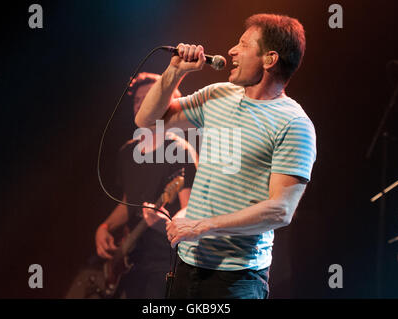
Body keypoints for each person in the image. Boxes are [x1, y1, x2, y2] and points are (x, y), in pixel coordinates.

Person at [135, 14, 317, 299]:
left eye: (243, 45)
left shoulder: (294, 124)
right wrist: (175, 72)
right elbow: (146, 121)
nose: (231, 50)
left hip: (236, 280)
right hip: (185, 265)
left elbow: (281, 210)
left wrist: (202, 226)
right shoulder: (218, 94)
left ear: (269, 59)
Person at [95, 72, 198, 299]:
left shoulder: (179, 150)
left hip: (163, 262)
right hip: (130, 260)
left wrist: (167, 223)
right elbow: (127, 201)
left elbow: (190, 209)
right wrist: (104, 227)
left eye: (149, 98)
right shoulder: (126, 152)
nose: (142, 104)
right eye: (137, 100)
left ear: (166, 103)